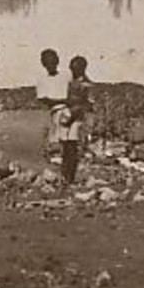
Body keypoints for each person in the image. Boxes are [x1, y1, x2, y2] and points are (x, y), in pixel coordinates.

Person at [35, 48, 71, 178]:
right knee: (55, 136)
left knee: (65, 136)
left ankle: (64, 163)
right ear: (43, 64)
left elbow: (73, 92)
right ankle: (57, 163)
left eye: (53, 62)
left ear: (57, 61)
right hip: (55, 110)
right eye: (47, 62)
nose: (51, 65)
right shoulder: (42, 79)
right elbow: (44, 99)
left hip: (67, 109)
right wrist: (62, 100)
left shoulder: (66, 76)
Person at [62, 55, 94, 185]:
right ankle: (66, 176)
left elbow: (88, 104)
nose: (73, 70)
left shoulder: (86, 84)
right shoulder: (70, 82)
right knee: (67, 148)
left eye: (76, 67)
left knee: (73, 149)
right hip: (70, 116)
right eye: (72, 67)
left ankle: (70, 177)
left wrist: (74, 114)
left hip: (79, 119)